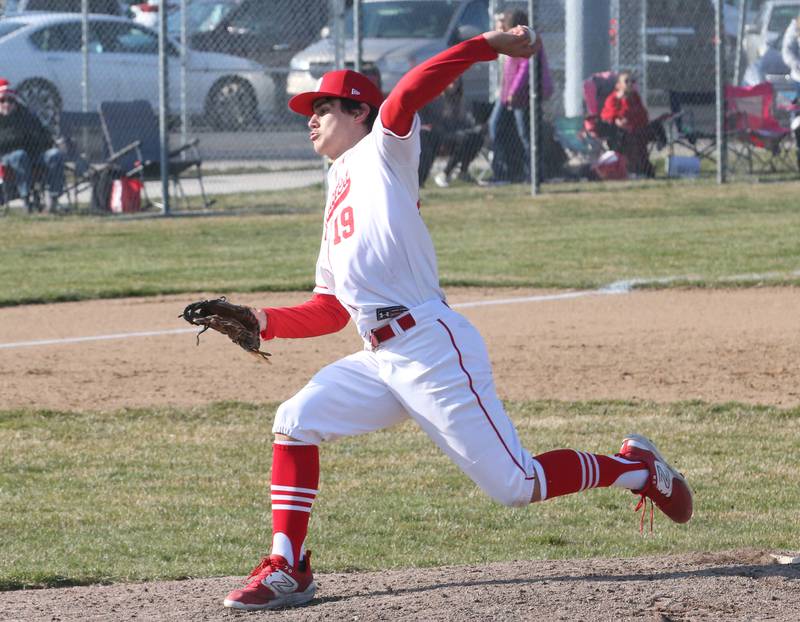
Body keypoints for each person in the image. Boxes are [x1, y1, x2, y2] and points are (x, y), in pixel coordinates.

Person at [221, 26, 693, 612]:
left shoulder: (384, 151)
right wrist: (261, 320)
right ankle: (288, 567)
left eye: (322, 107)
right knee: (294, 419)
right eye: (309, 110)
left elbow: (409, 92)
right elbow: (330, 309)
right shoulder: (336, 186)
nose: (309, 118)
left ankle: (634, 469)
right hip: (379, 356)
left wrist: (488, 44)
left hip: (430, 347)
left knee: (515, 486)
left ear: (359, 112)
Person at [486, 9, 553, 184]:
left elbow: (525, 69)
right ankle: (502, 171)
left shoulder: (526, 39)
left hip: (521, 96)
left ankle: (534, 174)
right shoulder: (510, 39)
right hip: (506, 93)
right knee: (495, 125)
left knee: (527, 135)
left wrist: (514, 92)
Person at [0, 79, 65, 212]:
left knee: (54, 155)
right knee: (19, 155)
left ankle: (53, 199)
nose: (7, 104)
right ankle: (26, 198)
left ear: (15, 102)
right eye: (2, 101)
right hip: (7, 157)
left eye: (10, 101)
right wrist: (21, 139)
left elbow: (44, 136)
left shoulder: (26, 116)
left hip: (33, 154)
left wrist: (51, 143)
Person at [417, 77, 485, 187]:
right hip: (438, 137)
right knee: (464, 138)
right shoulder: (437, 99)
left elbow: (464, 121)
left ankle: (463, 172)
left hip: (456, 135)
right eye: (451, 80)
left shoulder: (461, 100)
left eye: (456, 80)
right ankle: (444, 174)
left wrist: (473, 128)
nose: (454, 83)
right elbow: (434, 123)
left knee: (477, 138)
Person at [598, 71, 666, 178]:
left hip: (638, 128)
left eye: (632, 81)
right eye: (626, 81)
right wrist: (618, 119)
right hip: (621, 133)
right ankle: (636, 168)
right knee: (630, 138)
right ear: (618, 85)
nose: (630, 84)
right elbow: (608, 116)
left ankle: (652, 157)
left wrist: (630, 115)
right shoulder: (613, 99)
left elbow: (643, 115)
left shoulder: (635, 97)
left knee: (656, 126)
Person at [780, 14, 800, 171]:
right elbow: (787, 51)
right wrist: (797, 64)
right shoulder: (795, 26)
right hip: (798, 80)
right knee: (798, 121)